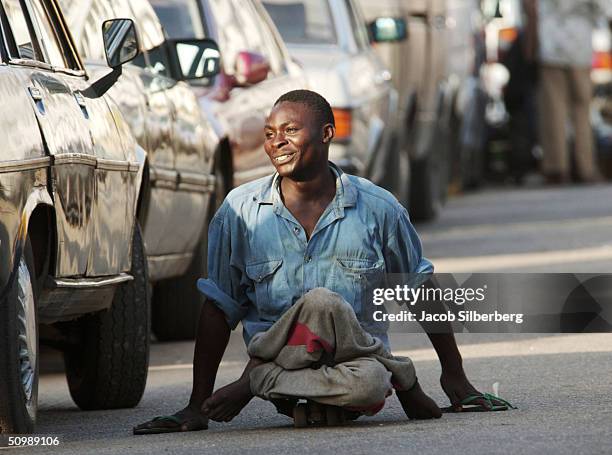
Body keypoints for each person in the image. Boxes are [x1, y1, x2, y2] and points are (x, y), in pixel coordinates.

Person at [133, 90, 507, 434]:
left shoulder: (378, 208)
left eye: (290, 130)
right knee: (321, 307)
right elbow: (219, 305)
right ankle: (399, 377)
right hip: (282, 361)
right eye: (269, 133)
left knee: (365, 371)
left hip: (351, 361)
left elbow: (418, 288)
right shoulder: (239, 211)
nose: (276, 142)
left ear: (327, 133)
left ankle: (254, 383)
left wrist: (454, 376)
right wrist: (197, 405)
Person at [530, 0, 611, 184]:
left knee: (554, 110)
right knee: (582, 110)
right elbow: (604, 7)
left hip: (552, 44)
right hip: (579, 44)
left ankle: (556, 167)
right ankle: (586, 167)